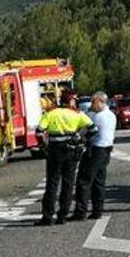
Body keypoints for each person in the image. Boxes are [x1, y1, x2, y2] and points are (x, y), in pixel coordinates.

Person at [34, 90, 98, 226]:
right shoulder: (77, 114)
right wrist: (81, 139)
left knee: (52, 184)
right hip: (71, 151)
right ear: (70, 101)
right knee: (68, 184)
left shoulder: (51, 113)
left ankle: (47, 217)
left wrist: (43, 146)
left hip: (54, 151)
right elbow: (93, 129)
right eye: (75, 100)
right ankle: (62, 216)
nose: (76, 102)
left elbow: (39, 132)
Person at [71, 92, 116, 221]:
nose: (91, 105)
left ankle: (80, 212)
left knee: (84, 181)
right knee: (99, 181)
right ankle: (97, 211)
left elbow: (87, 131)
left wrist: (79, 139)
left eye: (93, 102)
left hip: (96, 149)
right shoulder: (111, 115)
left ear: (101, 101)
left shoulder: (98, 117)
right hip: (106, 149)